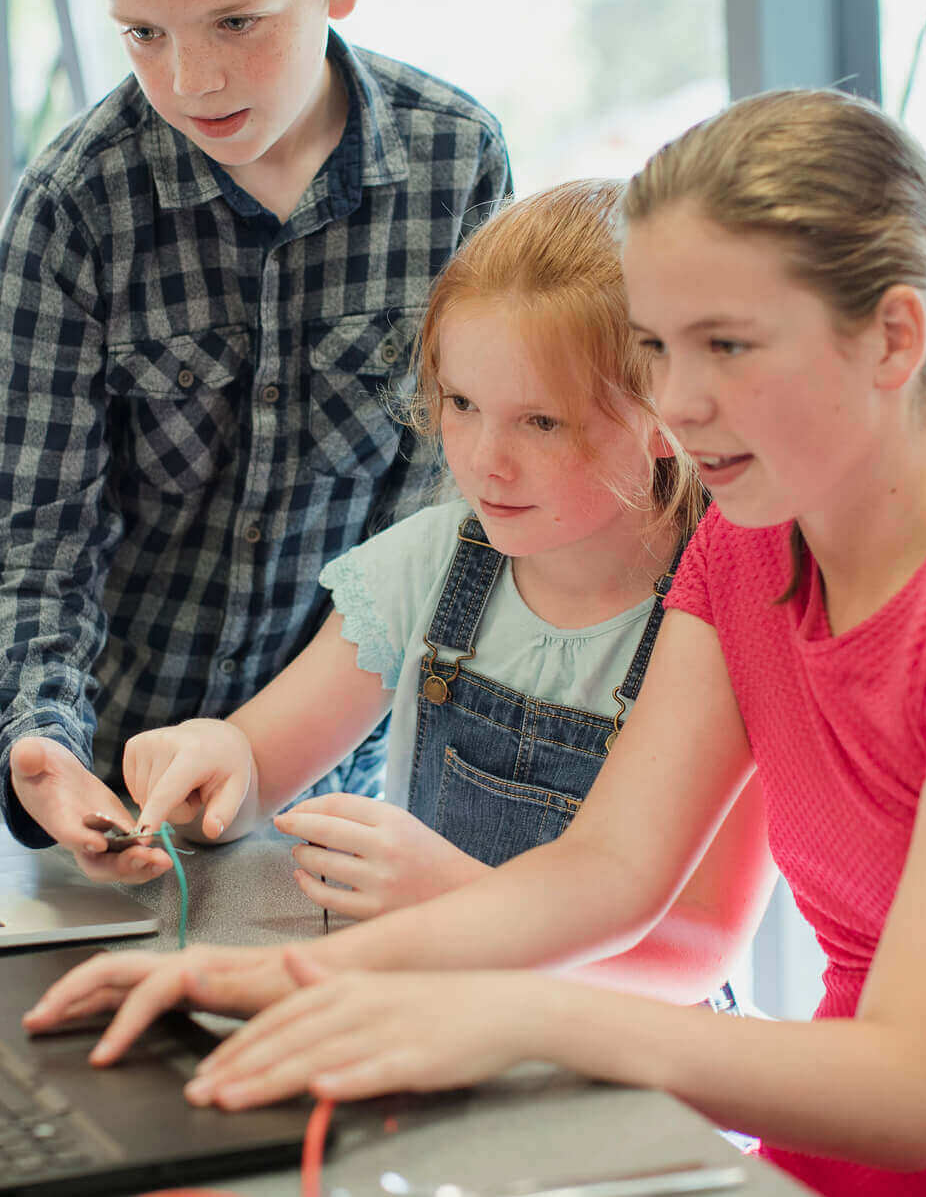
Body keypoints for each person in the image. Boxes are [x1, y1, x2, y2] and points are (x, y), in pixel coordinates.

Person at [22, 91, 926, 1196]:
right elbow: (607, 868)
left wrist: (519, 1009)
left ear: (894, 333)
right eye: (658, 347)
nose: (680, 402)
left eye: (727, 345)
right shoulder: (742, 542)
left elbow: (910, 1086)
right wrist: (262, 975)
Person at [0, 0, 510, 883]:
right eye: (142, 33)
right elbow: (35, 551)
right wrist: (43, 745)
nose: (190, 79)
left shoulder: (457, 169)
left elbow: (443, 529)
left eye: (237, 23)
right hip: (110, 805)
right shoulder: (74, 204)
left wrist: (274, 758)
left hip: (341, 802)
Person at [118, 181, 771, 998]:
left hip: (628, 1059)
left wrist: (452, 895)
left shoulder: (732, 612)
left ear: (665, 416)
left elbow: (691, 959)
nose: (484, 460)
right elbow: (257, 767)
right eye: (461, 403)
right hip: (433, 1017)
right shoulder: (431, 561)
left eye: (541, 422)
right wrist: (206, 763)